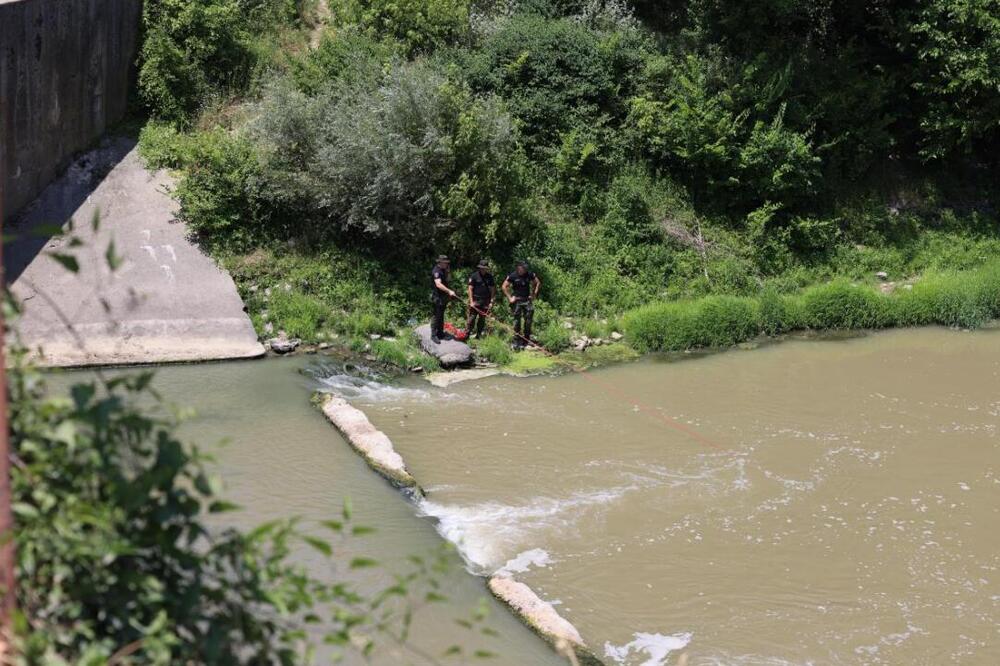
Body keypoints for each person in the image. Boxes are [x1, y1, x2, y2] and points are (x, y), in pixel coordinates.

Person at [501, 261, 541, 349]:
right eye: (524, 268)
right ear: (519, 268)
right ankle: (516, 340)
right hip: (517, 301)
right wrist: (509, 298)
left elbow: (537, 283)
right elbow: (504, 286)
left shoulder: (529, 274)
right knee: (517, 321)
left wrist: (534, 294)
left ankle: (526, 339)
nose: (525, 270)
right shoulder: (513, 275)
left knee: (528, 320)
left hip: (527, 300)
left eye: (526, 268)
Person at [466, 259, 496, 339]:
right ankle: (467, 334)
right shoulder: (474, 276)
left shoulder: (489, 277)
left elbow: (492, 289)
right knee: (471, 318)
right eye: (481, 268)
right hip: (475, 300)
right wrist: (471, 301)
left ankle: (478, 335)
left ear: (486, 268)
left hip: (485, 301)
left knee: (482, 319)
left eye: (484, 268)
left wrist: (492, 301)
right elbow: (470, 289)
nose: (483, 269)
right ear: (479, 268)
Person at [430, 254, 456, 344]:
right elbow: (438, 284)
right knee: (436, 316)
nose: (446, 264)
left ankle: (440, 333)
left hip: (443, 297)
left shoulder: (444, 270)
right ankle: (433, 335)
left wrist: (448, 272)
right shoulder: (436, 271)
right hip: (437, 297)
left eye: (447, 263)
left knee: (441, 315)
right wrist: (449, 291)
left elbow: (448, 280)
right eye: (445, 263)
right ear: (440, 262)